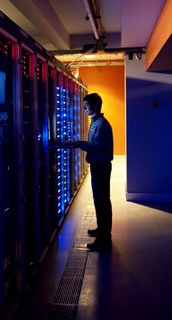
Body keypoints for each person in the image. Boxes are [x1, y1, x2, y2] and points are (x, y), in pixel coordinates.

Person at [63, 92, 114, 250]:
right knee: (100, 200)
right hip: (98, 166)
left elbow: (96, 147)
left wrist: (78, 144)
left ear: (95, 106)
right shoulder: (96, 122)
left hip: (101, 166)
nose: (84, 109)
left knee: (102, 201)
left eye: (86, 106)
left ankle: (104, 238)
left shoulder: (101, 124)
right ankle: (102, 230)